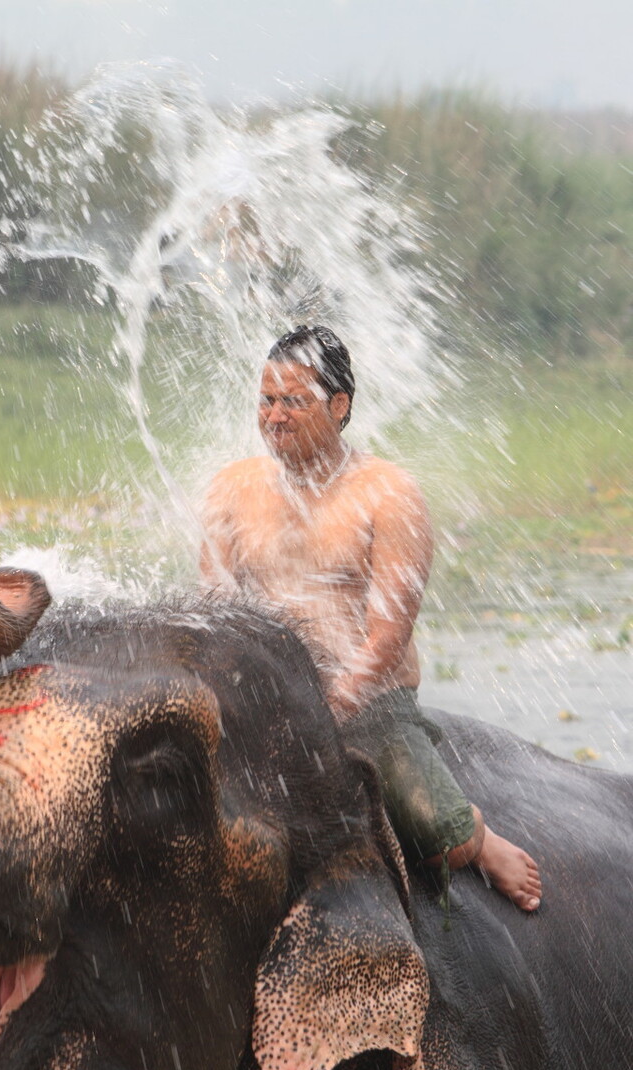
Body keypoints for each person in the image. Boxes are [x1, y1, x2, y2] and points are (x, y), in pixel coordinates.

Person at [200, 325, 542, 912]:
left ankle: (479, 840)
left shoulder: (389, 493)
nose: (274, 417)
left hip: (367, 701)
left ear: (339, 406)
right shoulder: (231, 488)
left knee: (433, 829)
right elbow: (215, 610)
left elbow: (388, 636)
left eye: (294, 402)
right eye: (266, 400)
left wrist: (325, 711)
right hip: (264, 696)